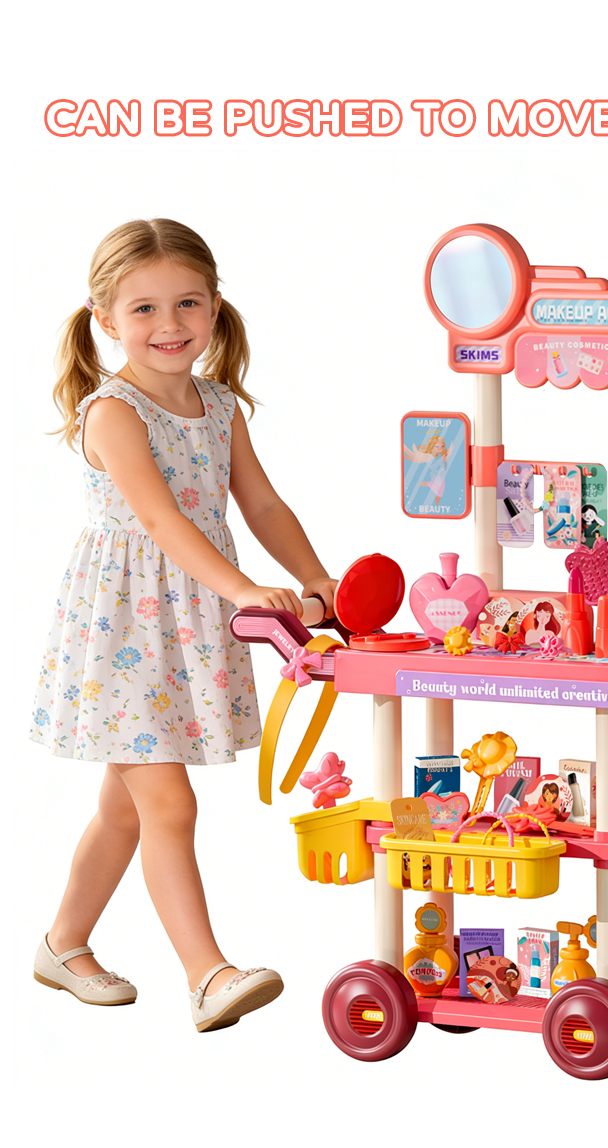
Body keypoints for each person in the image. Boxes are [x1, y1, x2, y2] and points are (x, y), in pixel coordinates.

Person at [30, 219, 337, 1032]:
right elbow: (164, 525)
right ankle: (209, 976)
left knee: (127, 809)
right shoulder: (113, 413)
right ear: (104, 317)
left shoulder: (220, 405)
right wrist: (244, 591)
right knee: (167, 805)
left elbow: (260, 502)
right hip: (125, 629)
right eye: (144, 310)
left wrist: (312, 578)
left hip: (189, 621)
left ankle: (61, 946)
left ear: (214, 307)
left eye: (187, 304)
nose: (170, 326)